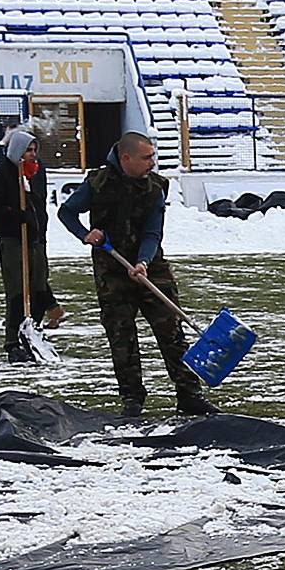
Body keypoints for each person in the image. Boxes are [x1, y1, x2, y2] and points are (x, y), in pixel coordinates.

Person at [58, 132, 213, 418]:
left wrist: (143, 262)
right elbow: (66, 212)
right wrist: (85, 234)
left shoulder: (155, 187)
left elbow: (153, 231)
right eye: (146, 157)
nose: (152, 163)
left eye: (153, 156)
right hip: (111, 270)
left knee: (171, 331)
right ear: (126, 158)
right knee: (121, 335)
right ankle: (132, 398)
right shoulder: (98, 184)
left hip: (151, 266)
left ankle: (189, 395)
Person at [0, 125, 64, 364]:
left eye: (34, 149)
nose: (32, 154)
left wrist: (38, 227)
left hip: (36, 240)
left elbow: (38, 207)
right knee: (18, 292)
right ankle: (12, 342)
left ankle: (32, 332)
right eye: (28, 150)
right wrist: (18, 217)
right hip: (14, 241)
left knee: (38, 287)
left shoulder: (35, 173)